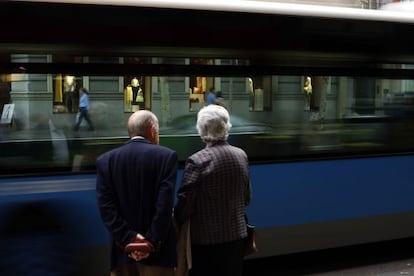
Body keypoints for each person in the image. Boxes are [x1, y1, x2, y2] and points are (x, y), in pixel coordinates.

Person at [96, 110, 178, 276]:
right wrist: (150, 242)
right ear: (153, 130)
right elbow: (164, 205)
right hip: (158, 256)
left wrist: (128, 239)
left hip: (121, 254)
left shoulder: (106, 161)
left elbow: (106, 208)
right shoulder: (166, 156)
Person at [174, 104, 252, 276]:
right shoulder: (241, 155)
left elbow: (186, 203)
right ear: (226, 126)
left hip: (206, 241)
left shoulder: (197, 161)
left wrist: (176, 221)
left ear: (201, 129)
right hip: (236, 237)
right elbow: (246, 198)